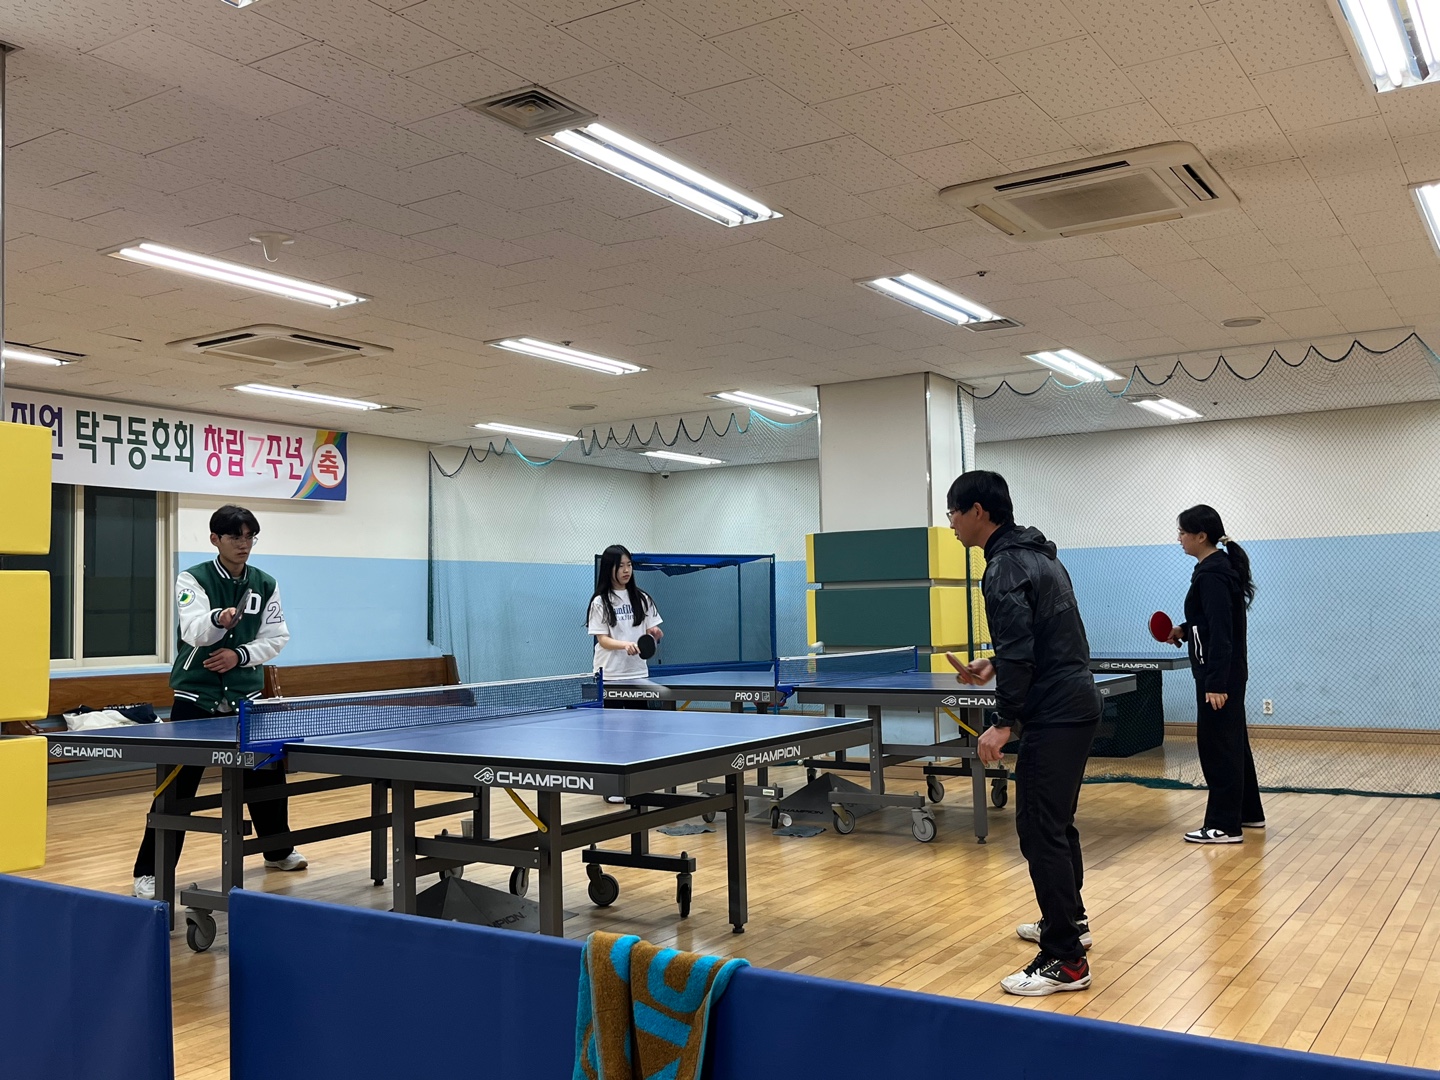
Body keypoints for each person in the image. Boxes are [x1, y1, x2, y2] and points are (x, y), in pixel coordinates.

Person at [947, 470, 1101, 996]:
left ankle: (1065, 959)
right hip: (1076, 703)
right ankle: (1070, 922)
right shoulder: (1039, 556)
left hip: (1054, 711)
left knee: (1039, 829)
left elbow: (1021, 648)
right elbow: (1037, 637)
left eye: (953, 512)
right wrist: (995, 662)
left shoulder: (1003, 567)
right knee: (1056, 824)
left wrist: (1002, 722)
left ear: (978, 512)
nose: (951, 523)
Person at [132, 505, 303, 900]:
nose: (244, 544)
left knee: (267, 777)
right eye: (235, 537)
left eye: (249, 537)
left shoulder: (265, 583)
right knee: (175, 790)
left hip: (247, 700)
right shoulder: (193, 578)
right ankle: (150, 872)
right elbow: (193, 631)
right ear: (215, 539)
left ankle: (278, 850)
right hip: (196, 699)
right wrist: (218, 620)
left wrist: (240, 655)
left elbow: (277, 637)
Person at [1165, 505, 1263, 843]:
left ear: (1201, 536)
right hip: (1224, 672)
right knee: (1233, 743)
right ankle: (1248, 813)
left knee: (1218, 747)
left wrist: (1216, 683)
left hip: (1218, 676)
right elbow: (1210, 621)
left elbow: (1222, 633)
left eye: (1183, 533)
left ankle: (1223, 825)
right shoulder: (1216, 569)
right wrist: (1184, 629)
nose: (1179, 539)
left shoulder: (1212, 575)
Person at [586, 545, 664, 803]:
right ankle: (612, 786)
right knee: (612, 735)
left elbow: (653, 631)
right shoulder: (600, 602)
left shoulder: (642, 598)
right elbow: (603, 640)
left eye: (629, 565)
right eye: (620, 566)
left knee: (638, 732)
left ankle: (637, 784)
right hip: (609, 676)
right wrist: (625, 645)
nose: (626, 570)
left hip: (637, 675)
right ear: (609, 568)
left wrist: (655, 634)